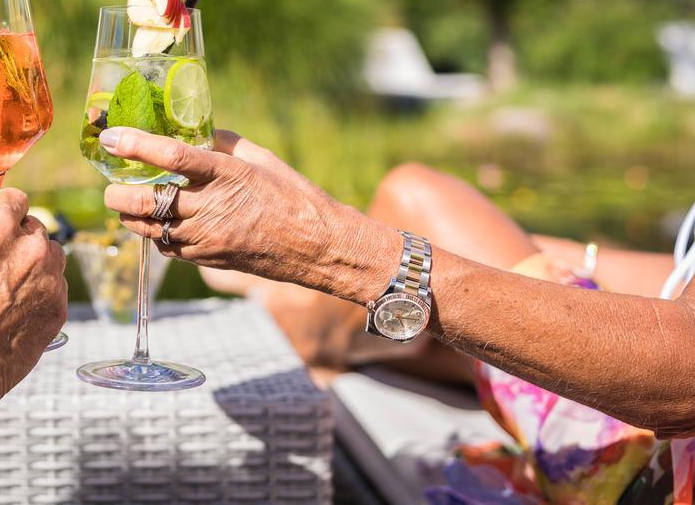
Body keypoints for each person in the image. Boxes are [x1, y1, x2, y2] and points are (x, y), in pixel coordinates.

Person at [96, 124, 695, 502]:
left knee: (413, 199)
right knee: (425, 243)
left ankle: (298, 310)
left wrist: (333, 247)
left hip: (648, 468)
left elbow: (684, 373)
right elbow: (680, 277)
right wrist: (548, 256)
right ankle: (314, 310)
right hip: (648, 418)